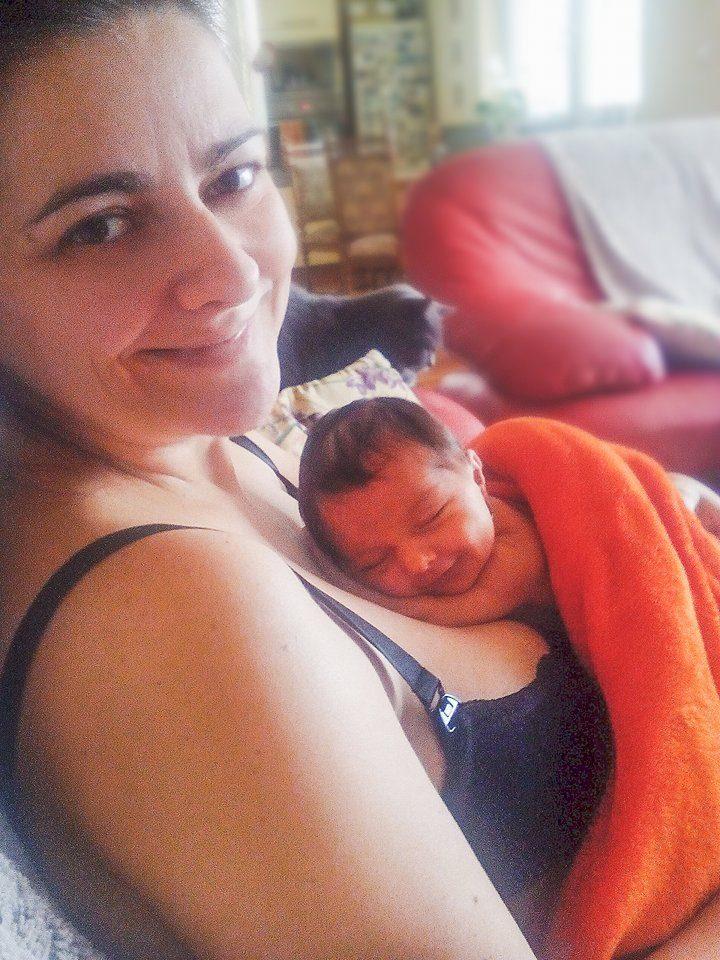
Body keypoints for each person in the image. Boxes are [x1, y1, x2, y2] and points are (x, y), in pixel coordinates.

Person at [0, 3, 718, 959]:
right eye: (100, 227)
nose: (232, 270)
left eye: (234, 176)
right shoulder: (161, 614)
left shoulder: (221, 444)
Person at [297, 395, 553, 623]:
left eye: (432, 516)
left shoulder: (517, 541)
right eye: (376, 562)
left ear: (476, 477)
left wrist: (369, 596)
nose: (417, 563)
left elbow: (453, 610)